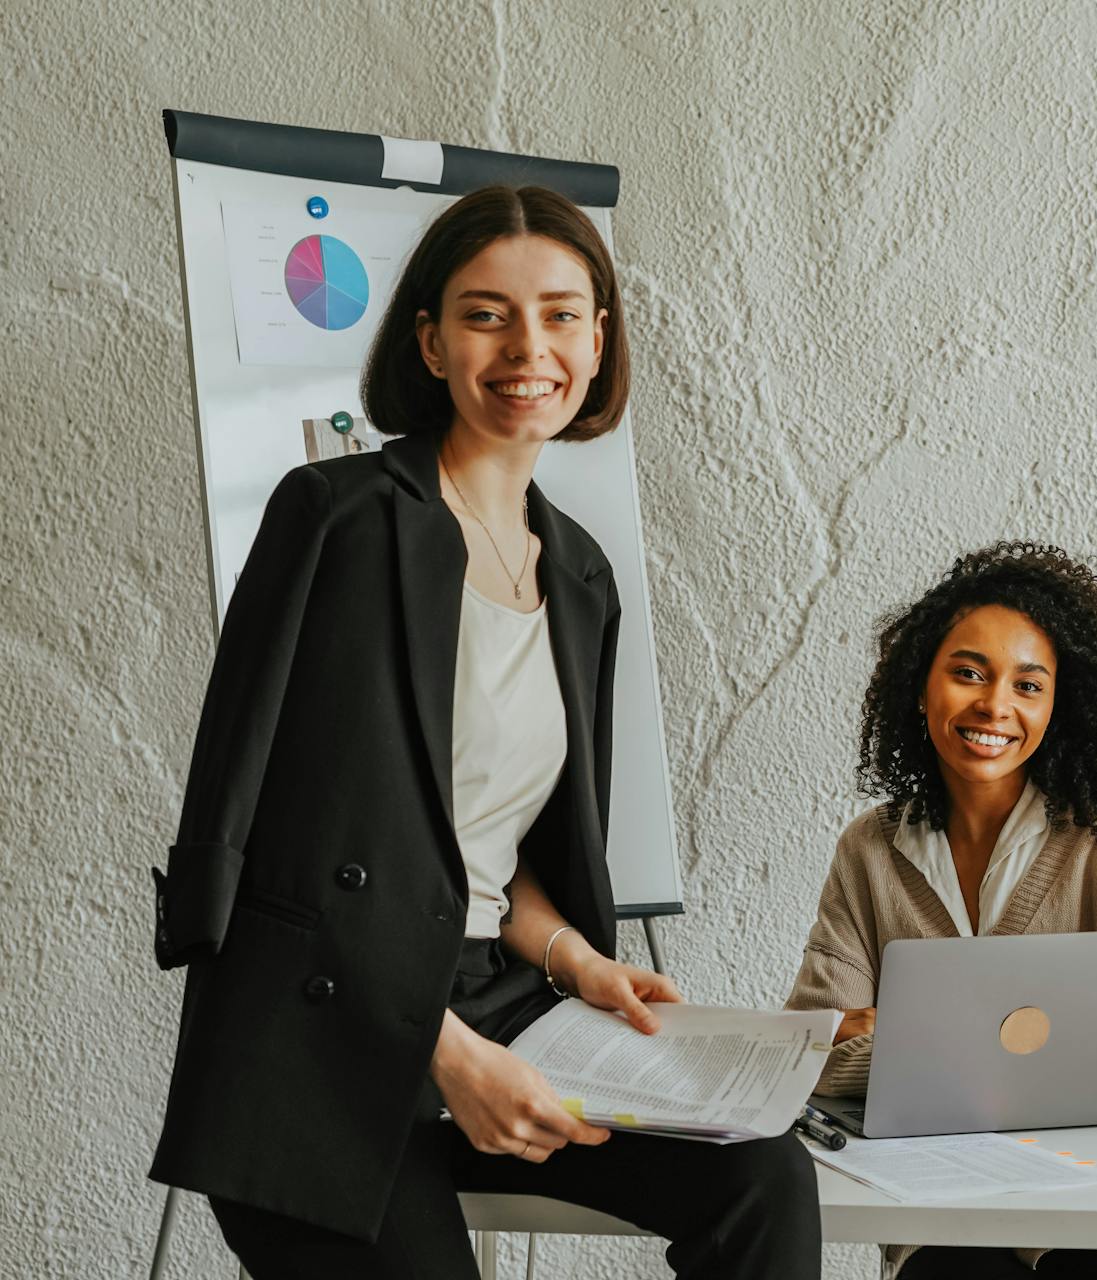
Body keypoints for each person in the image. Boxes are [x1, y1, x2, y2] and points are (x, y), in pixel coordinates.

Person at [148, 185, 819, 1279]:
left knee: (762, 1180)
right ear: (430, 340)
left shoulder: (583, 572)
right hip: (321, 1028)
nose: (529, 347)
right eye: (486, 313)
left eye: (562, 313)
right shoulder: (339, 519)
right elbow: (250, 843)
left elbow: (498, 857)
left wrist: (578, 960)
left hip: (503, 1003)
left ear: (600, 341)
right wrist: (432, 1048)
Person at [785, 543, 1097, 1280]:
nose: (995, 706)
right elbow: (811, 1059)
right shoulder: (870, 851)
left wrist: (909, 1044)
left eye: (1028, 684)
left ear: (1057, 706)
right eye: (968, 673)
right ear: (922, 689)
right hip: (942, 1218)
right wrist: (1027, 1058)